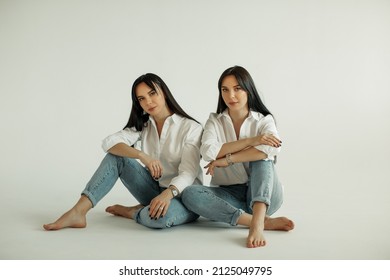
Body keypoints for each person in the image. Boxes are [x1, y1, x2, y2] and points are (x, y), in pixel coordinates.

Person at [43, 73, 203, 230]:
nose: (148, 101)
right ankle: (78, 212)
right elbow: (109, 142)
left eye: (152, 93)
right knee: (116, 156)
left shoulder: (191, 128)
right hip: (154, 190)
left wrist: (168, 194)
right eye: (141, 99)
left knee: (158, 219)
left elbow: (188, 173)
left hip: (184, 197)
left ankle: (133, 211)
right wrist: (142, 155)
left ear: (164, 92)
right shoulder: (144, 126)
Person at [181, 66, 294, 248]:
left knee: (262, 158)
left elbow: (271, 150)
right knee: (189, 194)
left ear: (248, 89)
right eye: (225, 90)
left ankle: (257, 223)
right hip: (231, 195)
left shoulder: (264, 120)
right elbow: (209, 152)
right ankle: (260, 221)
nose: (231, 96)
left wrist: (227, 159)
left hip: (266, 195)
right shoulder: (214, 121)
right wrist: (253, 140)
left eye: (237, 89)